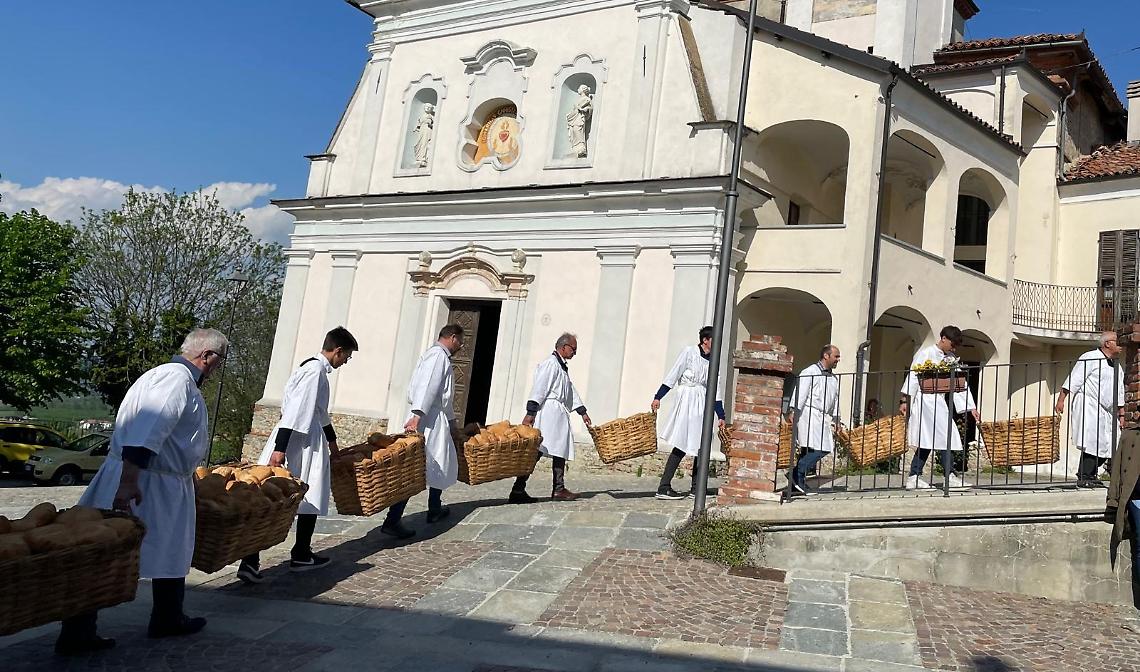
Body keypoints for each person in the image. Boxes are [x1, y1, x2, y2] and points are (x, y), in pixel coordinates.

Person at [56, 329, 229, 655]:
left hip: (158, 478)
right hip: (147, 481)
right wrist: (128, 483)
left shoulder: (163, 375)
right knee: (109, 551)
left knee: (170, 551)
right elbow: (147, 431)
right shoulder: (175, 381)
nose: (218, 369)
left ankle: (168, 616)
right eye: (220, 360)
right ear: (207, 356)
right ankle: (79, 631)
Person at [237, 327, 357, 584]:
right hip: (298, 442)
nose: (345, 361)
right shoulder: (314, 372)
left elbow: (320, 412)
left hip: (302, 436)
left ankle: (297, 552)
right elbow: (295, 412)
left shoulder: (312, 370)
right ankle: (259, 559)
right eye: (346, 356)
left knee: (286, 496)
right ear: (337, 351)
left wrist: (333, 444)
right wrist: (280, 449)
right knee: (279, 495)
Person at [381, 324, 464, 538]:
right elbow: (428, 386)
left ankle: (435, 508)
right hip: (428, 420)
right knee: (416, 469)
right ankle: (393, 519)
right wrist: (417, 415)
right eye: (460, 341)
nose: (461, 346)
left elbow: (440, 397)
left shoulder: (435, 356)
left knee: (438, 464)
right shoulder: (437, 356)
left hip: (434, 417)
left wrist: (453, 423)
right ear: (452, 338)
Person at [510, 333, 592, 502]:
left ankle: (558, 489)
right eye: (573, 349)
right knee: (538, 451)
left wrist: (582, 411)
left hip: (558, 415)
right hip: (548, 414)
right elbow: (539, 388)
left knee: (559, 450)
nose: (575, 353)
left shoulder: (561, 367)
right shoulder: (550, 364)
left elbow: (569, 391)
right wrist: (531, 413)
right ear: (563, 347)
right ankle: (518, 489)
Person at [901, 325, 979, 490]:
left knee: (930, 439)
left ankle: (915, 476)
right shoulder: (926, 353)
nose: (954, 348)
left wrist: (971, 407)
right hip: (926, 401)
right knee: (942, 437)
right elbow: (914, 376)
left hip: (939, 402)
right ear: (943, 338)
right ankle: (948, 476)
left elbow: (959, 383)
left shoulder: (950, 358)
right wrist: (905, 400)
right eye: (953, 344)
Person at [651, 326, 725, 500]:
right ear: (705, 340)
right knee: (682, 442)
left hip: (702, 402)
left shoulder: (714, 361)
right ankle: (664, 486)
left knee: (703, 442)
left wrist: (720, 415)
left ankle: (696, 488)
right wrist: (658, 397)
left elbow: (716, 390)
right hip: (687, 400)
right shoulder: (689, 352)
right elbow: (673, 374)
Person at [1056, 331, 1124, 488]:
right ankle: (1085, 476)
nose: (1119, 344)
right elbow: (1074, 378)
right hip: (1089, 405)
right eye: (1116, 341)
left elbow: (1120, 390)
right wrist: (1061, 400)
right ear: (1107, 343)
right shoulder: (1090, 357)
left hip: (1107, 411)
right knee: (1092, 441)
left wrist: (1121, 414)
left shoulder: (1116, 364)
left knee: (1108, 443)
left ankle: (1091, 475)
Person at [787, 345, 842, 495]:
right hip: (809, 413)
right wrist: (793, 410)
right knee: (818, 448)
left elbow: (835, 399)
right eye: (836, 356)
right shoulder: (809, 372)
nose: (838, 359)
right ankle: (796, 474)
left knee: (815, 448)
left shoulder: (833, 378)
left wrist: (837, 419)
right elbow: (801, 392)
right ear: (826, 355)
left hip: (823, 416)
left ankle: (797, 483)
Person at [1107, 426, 1140, 609]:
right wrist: (1113, 499)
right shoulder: (1129, 435)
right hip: (1136, 498)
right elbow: (1118, 467)